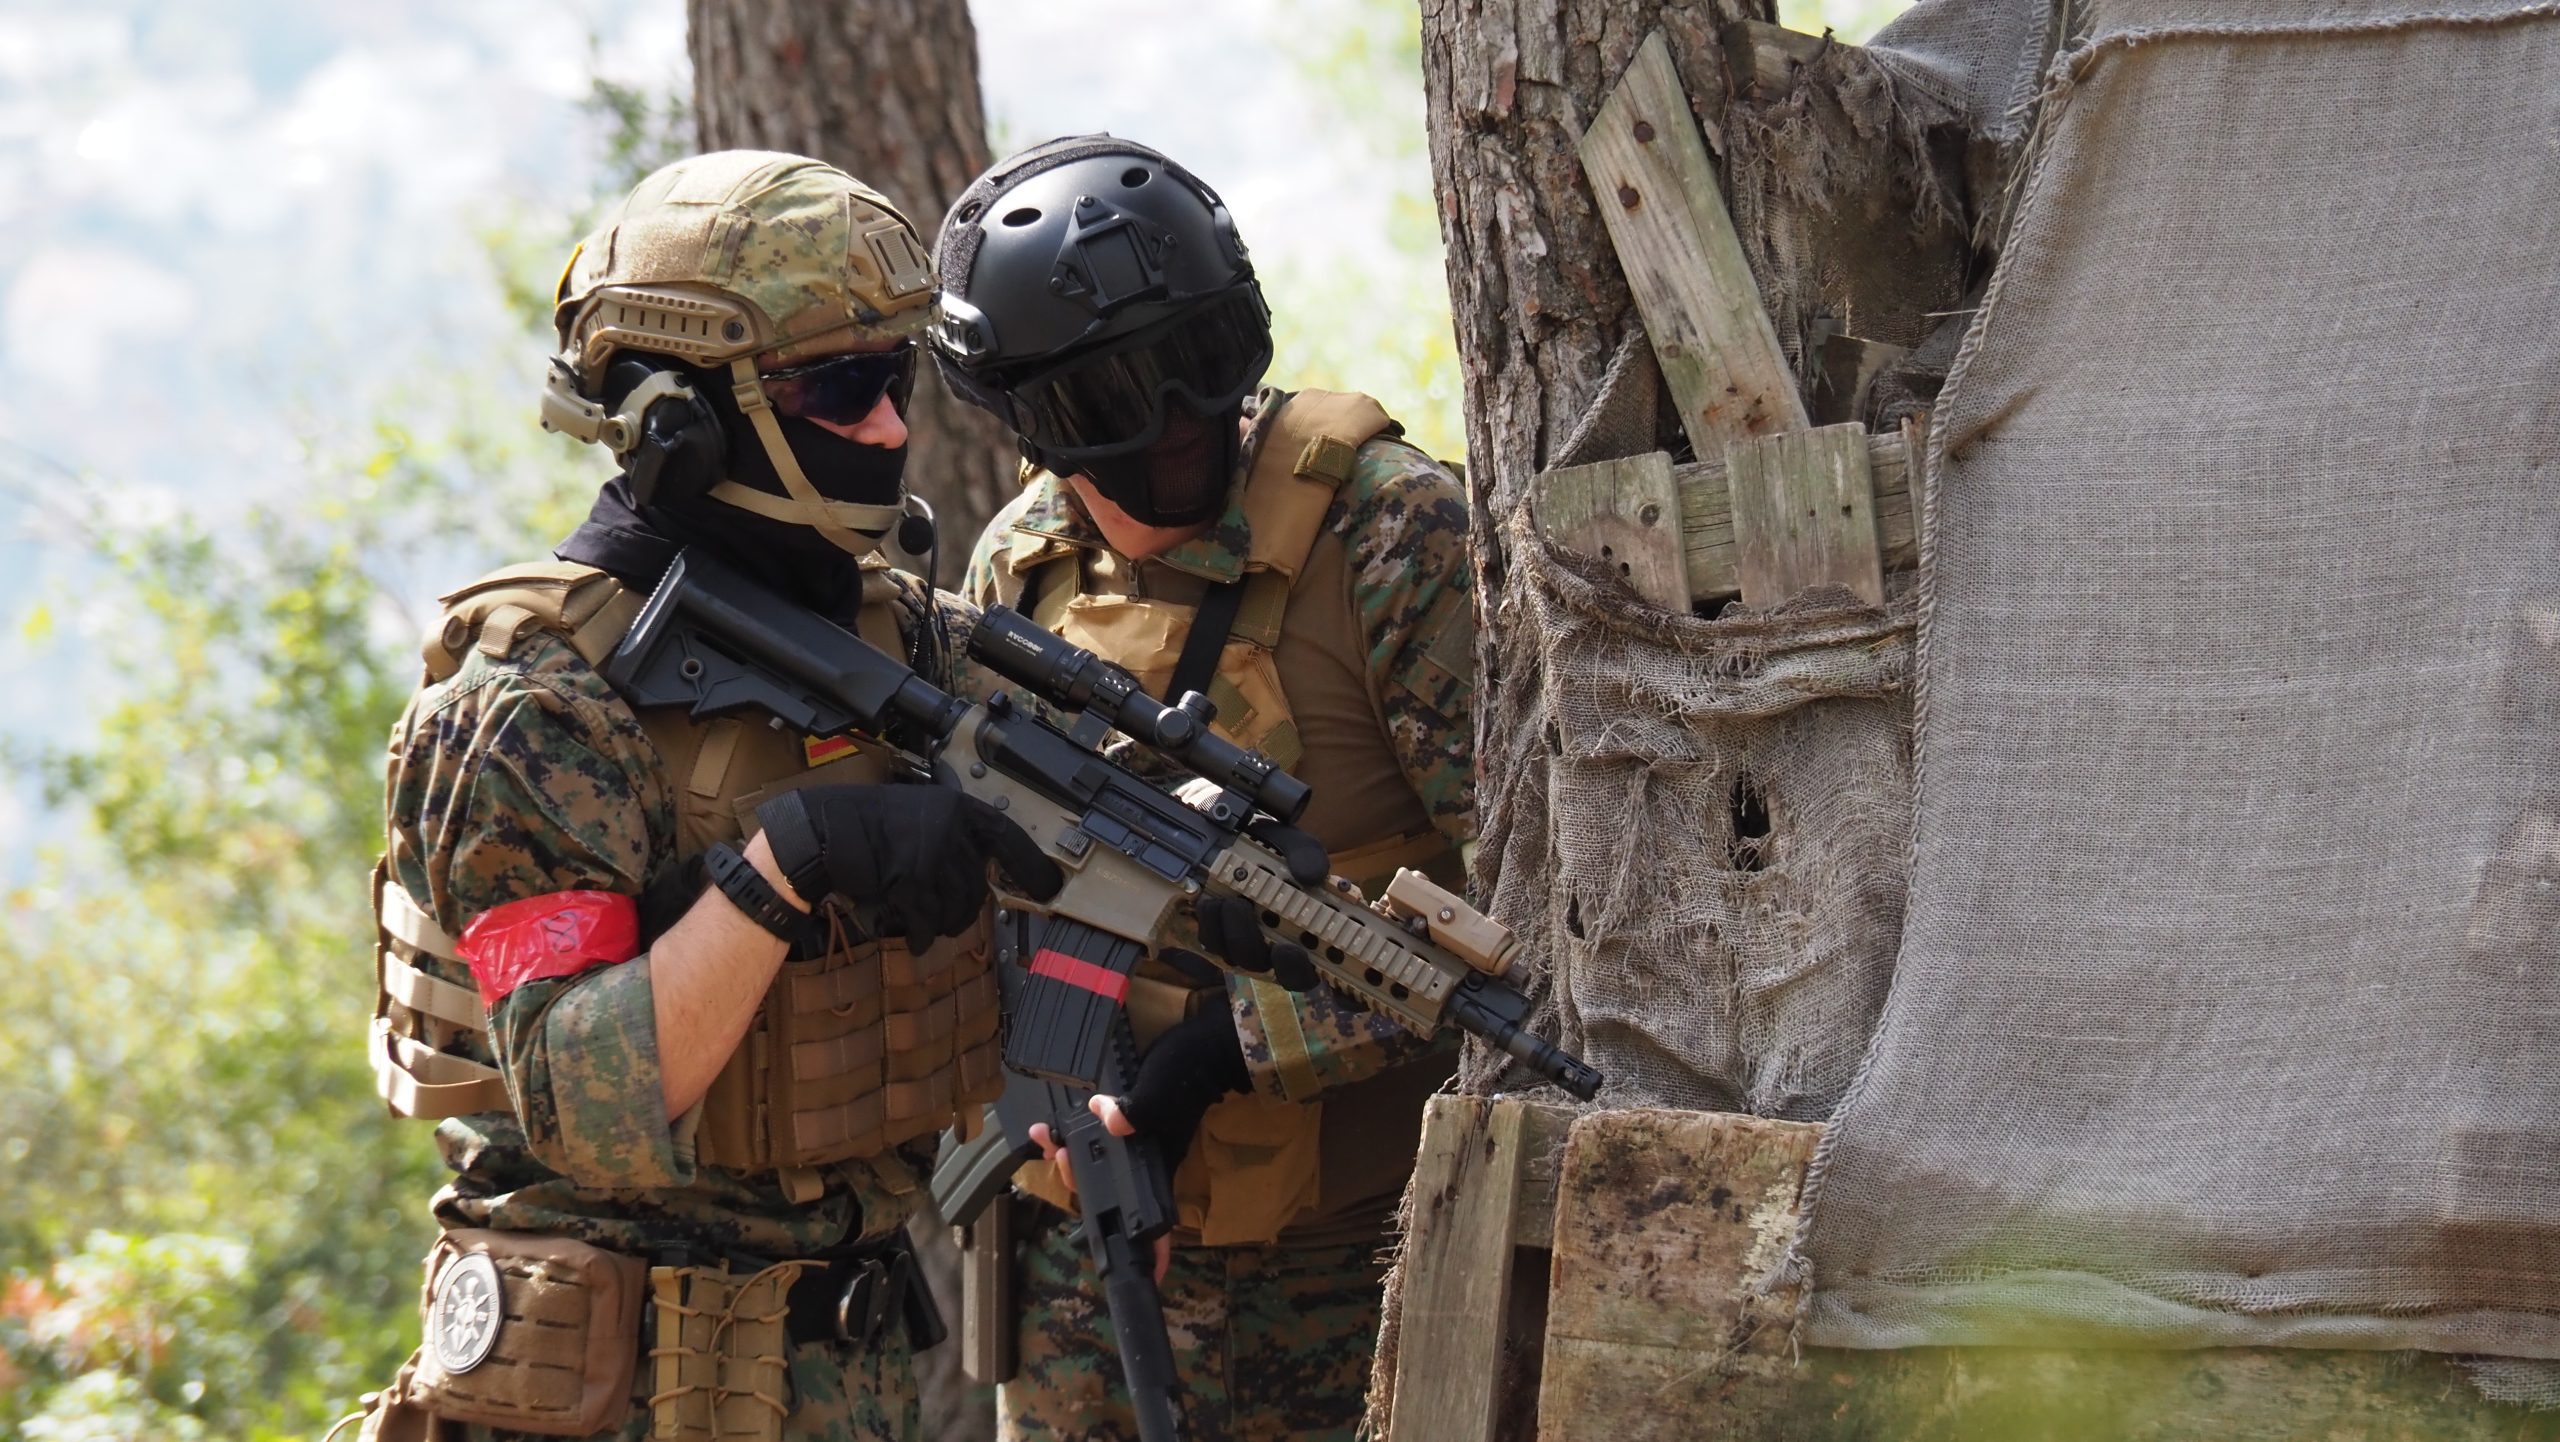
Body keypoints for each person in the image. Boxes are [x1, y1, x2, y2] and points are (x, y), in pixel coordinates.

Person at [344, 150, 1060, 1442]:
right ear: (683, 420)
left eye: (894, 379)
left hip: (848, 1379)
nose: (889, 429)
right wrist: (790, 862)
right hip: (609, 1391)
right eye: (839, 388)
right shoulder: (534, 710)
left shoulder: (904, 645)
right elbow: (584, 1102)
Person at [930, 136, 1478, 1442]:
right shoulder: (1024, 567)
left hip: (1358, 1254)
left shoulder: (1395, 535)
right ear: (1031, 426)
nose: (1175, 428)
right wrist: (1062, 1095)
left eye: (1197, 371)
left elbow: (1536, 901)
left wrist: (1214, 1057)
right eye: (1115, 403)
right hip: (1088, 1253)